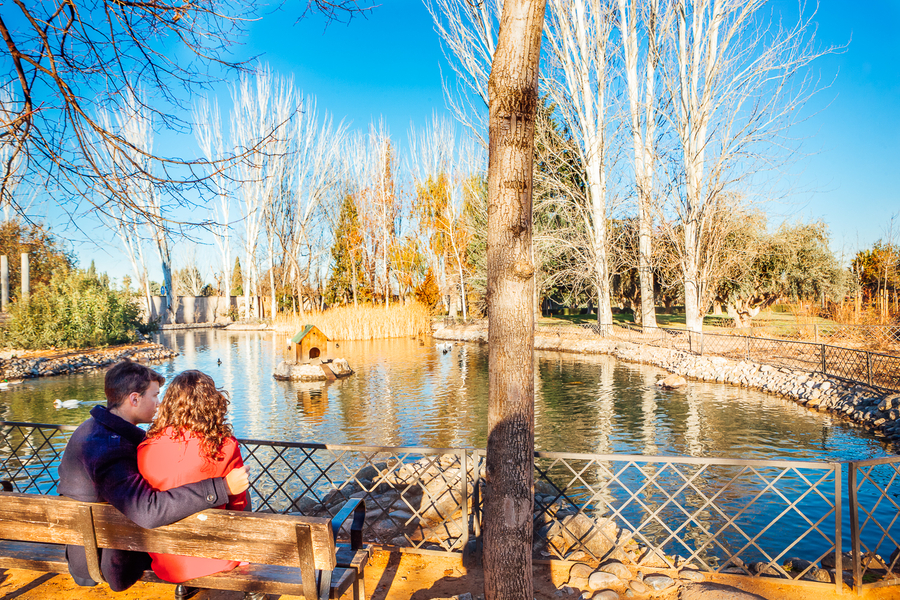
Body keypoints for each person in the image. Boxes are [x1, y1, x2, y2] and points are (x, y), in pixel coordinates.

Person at [57, 359, 249, 597]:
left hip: (102, 544)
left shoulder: (97, 430)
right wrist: (221, 487)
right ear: (134, 399)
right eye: (155, 395)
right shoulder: (108, 447)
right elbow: (146, 511)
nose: (159, 404)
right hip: (103, 561)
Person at [137, 370, 248, 583]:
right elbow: (238, 507)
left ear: (169, 404)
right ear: (213, 403)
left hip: (166, 562)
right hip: (217, 557)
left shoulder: (145, 449)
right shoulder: (226, 446)